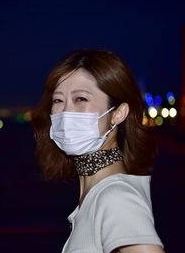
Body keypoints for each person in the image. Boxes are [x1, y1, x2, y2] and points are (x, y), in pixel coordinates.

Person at [32, 49, 164, 253]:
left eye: (81, 99)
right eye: (58, 100)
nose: (65, 112)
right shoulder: (97, 193)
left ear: (118, 114)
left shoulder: (116, 197)